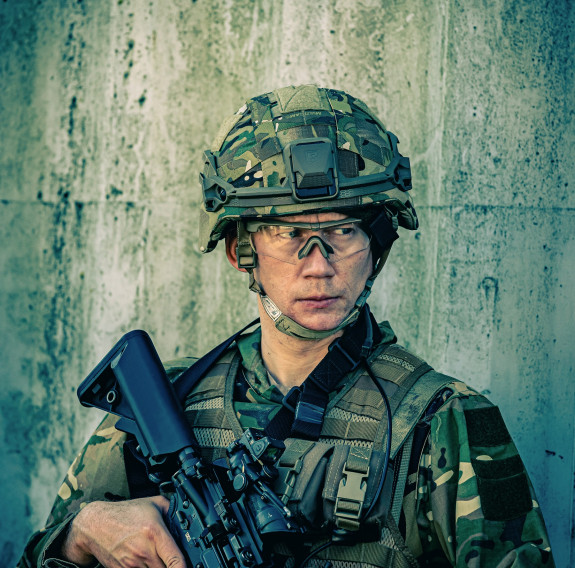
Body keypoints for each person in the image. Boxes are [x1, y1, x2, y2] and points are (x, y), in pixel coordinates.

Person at [17, 85, 555, 568]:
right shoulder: (162, 406)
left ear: (377, 249)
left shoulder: (445, 423)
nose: (318, 265)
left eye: (343, 231)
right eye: (286, 233)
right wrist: (79, 537)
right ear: (240, 250)